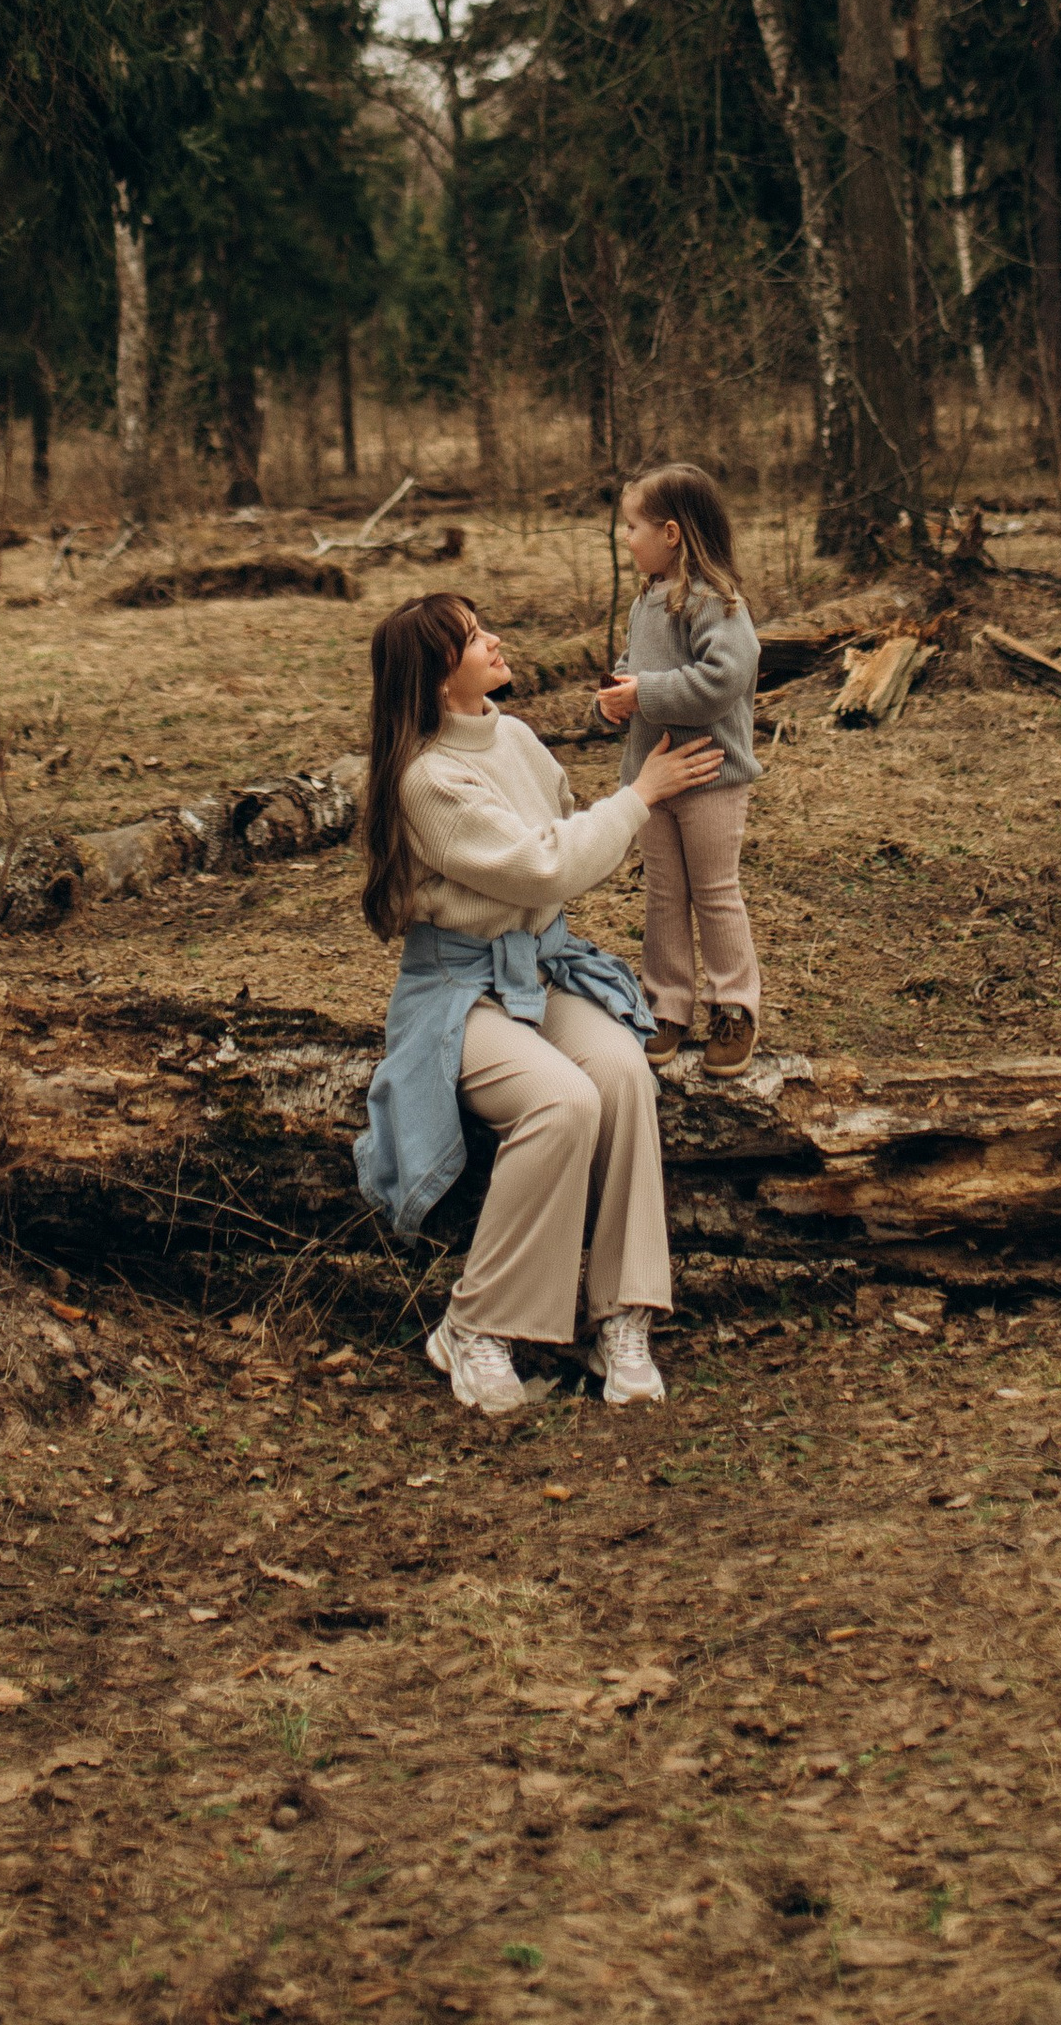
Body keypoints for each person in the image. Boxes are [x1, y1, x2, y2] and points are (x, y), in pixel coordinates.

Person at [353, 591, 723, 1418]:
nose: (495, 640)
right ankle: (475, 1326)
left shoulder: (514, 736)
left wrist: (633, 793)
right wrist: (641, 796)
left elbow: (565, 835)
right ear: (437, 676)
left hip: (539, 967)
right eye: (473, 637)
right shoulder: (426, 779)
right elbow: (546, 866)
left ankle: (621, 1317)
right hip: (459, 990)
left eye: (484, 626)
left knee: (623, 1073)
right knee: (562, 1101)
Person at [594, 460, 763, 1075]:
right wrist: (614, 698)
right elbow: (632, 667)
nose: (625, 539)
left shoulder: (717, 602)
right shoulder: (647, 599)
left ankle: (734, 1006)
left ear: (670, 533)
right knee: (664, 893)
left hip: (711, 775)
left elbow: (723, 679)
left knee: (714, 892)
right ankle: (667, 1006)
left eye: (632, 527)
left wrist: (646, 693)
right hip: (652, 775)